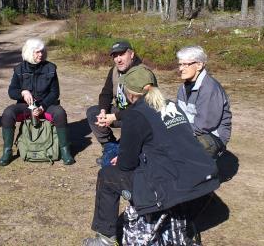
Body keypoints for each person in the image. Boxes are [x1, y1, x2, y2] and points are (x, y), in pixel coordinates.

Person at [82, 66, 220, 246]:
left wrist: (125, 157)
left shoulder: (135, 116)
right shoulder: (172, 105)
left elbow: (126, 165)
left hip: (172, 186)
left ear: (130, 94)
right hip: (204, 180)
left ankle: (105, 238)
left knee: (107, 176)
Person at [0, 38, 75, 166]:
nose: (41, 54)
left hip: (46, 105)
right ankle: (7, 151)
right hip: (25, 106)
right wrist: (23, 92)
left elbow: (55, 93)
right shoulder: (19, 69)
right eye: (37, 52)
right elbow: (12, 91)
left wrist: (42, 107)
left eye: (42, 51)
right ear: (29, 52)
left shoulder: (50, 68)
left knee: (60, 113)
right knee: (8, 113)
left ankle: (65, 150)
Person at [86, 41, 155, 165]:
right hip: (120, 113)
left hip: (138, 117)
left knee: (111, 162)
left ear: (132, 54)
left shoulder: (142, 73)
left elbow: (145, 107)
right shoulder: (114, 71)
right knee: (93, 112)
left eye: (121, 54)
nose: (118, 59)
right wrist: (103, 111)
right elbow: (106, 93)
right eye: (115, 56)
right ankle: (110, 146)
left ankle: (121, 149)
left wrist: (114, 117)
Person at [176, 46, 232, 158]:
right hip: (191, 131)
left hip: (211, 136)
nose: (181, 69)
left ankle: (205, 173)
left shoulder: (209, 88)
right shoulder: (183, 87)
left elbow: (203, 125)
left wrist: (176, 130)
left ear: (199, 65)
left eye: (185, 64)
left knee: (178, 148)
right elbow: (178, 114)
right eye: (180, 64)